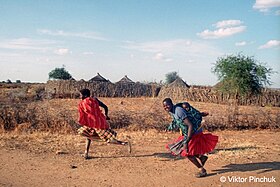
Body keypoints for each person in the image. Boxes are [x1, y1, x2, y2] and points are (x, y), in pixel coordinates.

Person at [163, 98, 218, 178]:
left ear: (171, 104)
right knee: (189, 150)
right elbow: (176, 121)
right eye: (164, 106)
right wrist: (169, 128)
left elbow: (190, 125)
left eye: (167, 105)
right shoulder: (172, 111)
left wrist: (186, 141)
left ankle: (202, 170)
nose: (166, 107)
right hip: (188, 133)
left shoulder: (178, 111)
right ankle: (201, 157)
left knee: (187, 152)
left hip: (193, 133)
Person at [77, 88, 131, 159]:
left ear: (85, 95)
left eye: (80, 95)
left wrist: (83, 120)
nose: (80, 97)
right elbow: (105, 107)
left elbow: (82, 114)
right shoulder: (95, 100)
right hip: (99, 122)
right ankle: (86, 153)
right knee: (88, 136)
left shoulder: (82, 103)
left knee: (108, 139)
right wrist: (106, 115)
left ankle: (125, 143)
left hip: (94, 123)